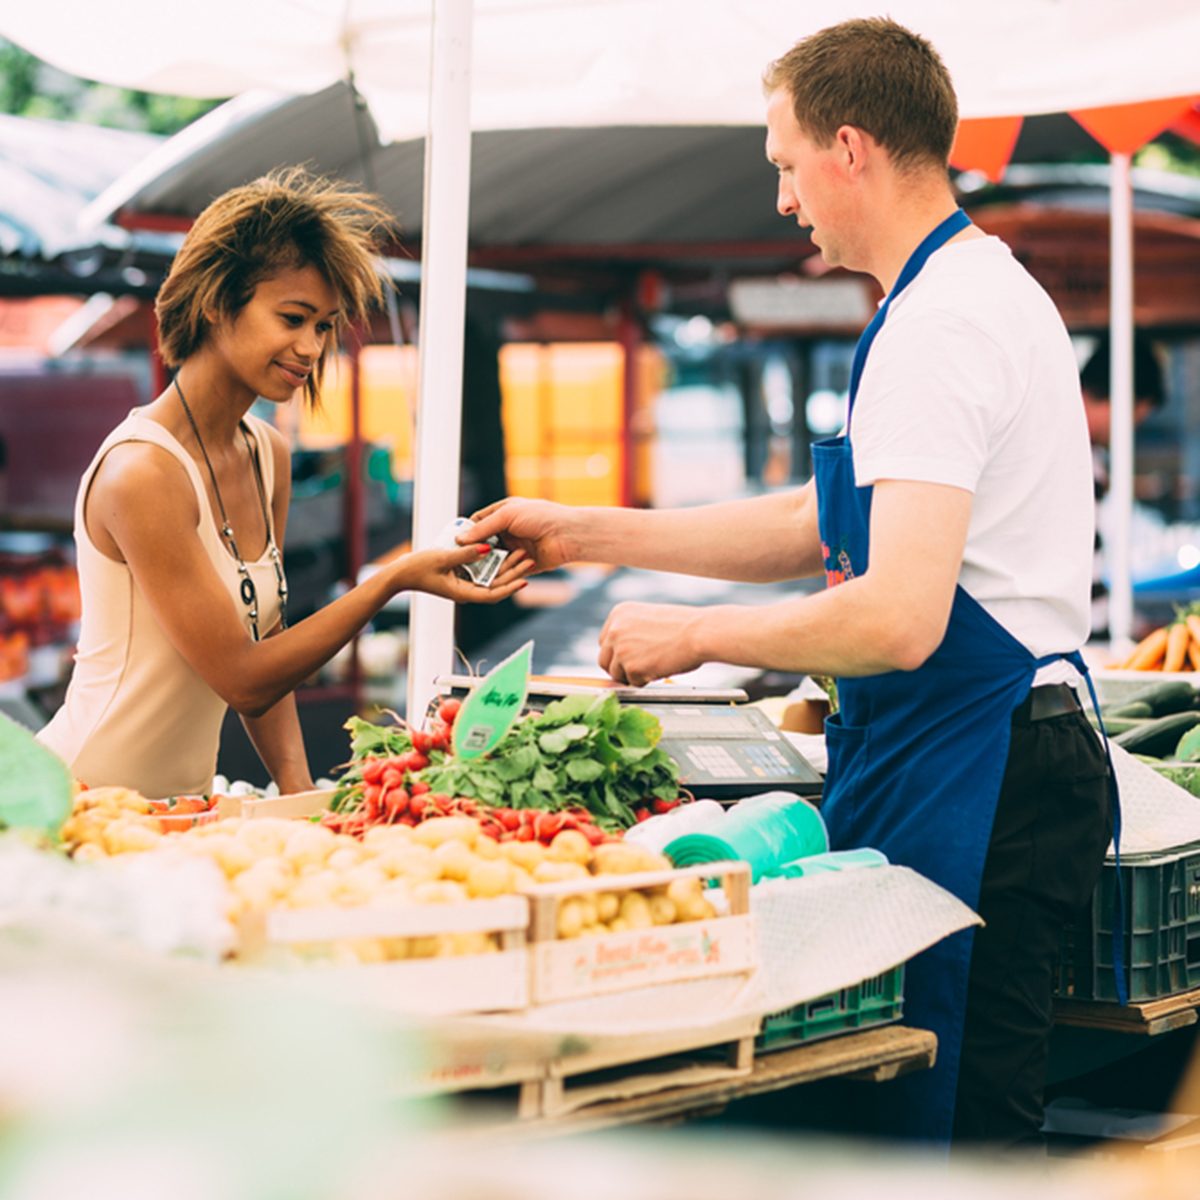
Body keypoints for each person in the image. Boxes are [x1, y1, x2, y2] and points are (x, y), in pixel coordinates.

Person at [465, 18, 1112, 1149]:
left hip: (981, 770)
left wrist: (701, 638)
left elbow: (901, 617)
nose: (781, 197)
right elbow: (819, 522)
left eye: (784, 163)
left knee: (953, 1133)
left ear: (849, 148)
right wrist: (578, 532)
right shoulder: (968, 292)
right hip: (991, 757)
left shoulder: (941, 324)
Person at [38, 168, 531, 800]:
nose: (311, 347)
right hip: (84, 799)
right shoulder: (143, 473)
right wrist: (393, 579)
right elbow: (241, 678)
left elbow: (265, 645)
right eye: (293, 317)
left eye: (324, 326)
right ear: (217, 304)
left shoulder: (265, 451)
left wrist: (300, 797)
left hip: (183, 806)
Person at [1079, 331, 1168, 635]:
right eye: (1136, 418)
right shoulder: (1074, 456)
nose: (1129, 431)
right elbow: (1084, 571)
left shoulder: (1085, 453)